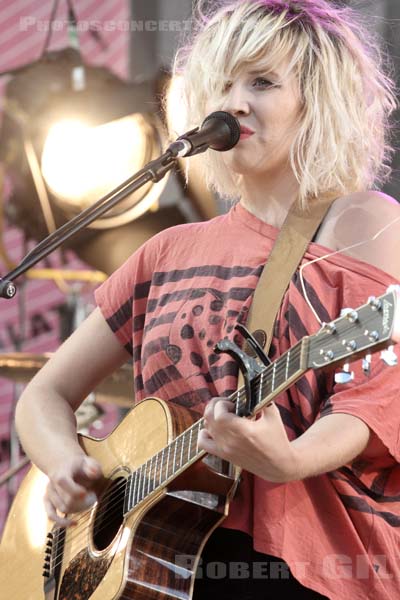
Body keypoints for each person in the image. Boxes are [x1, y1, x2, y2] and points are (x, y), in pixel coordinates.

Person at [14, 1, 400, 599]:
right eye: (221, 83)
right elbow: (44, 394)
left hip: (304, 569)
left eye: (263, 82)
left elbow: (377, 396)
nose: (234, 102)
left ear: (320, 100)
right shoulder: (165, 251)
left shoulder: (363, 221)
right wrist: (66, 466)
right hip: (165, 566)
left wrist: (289, 461)